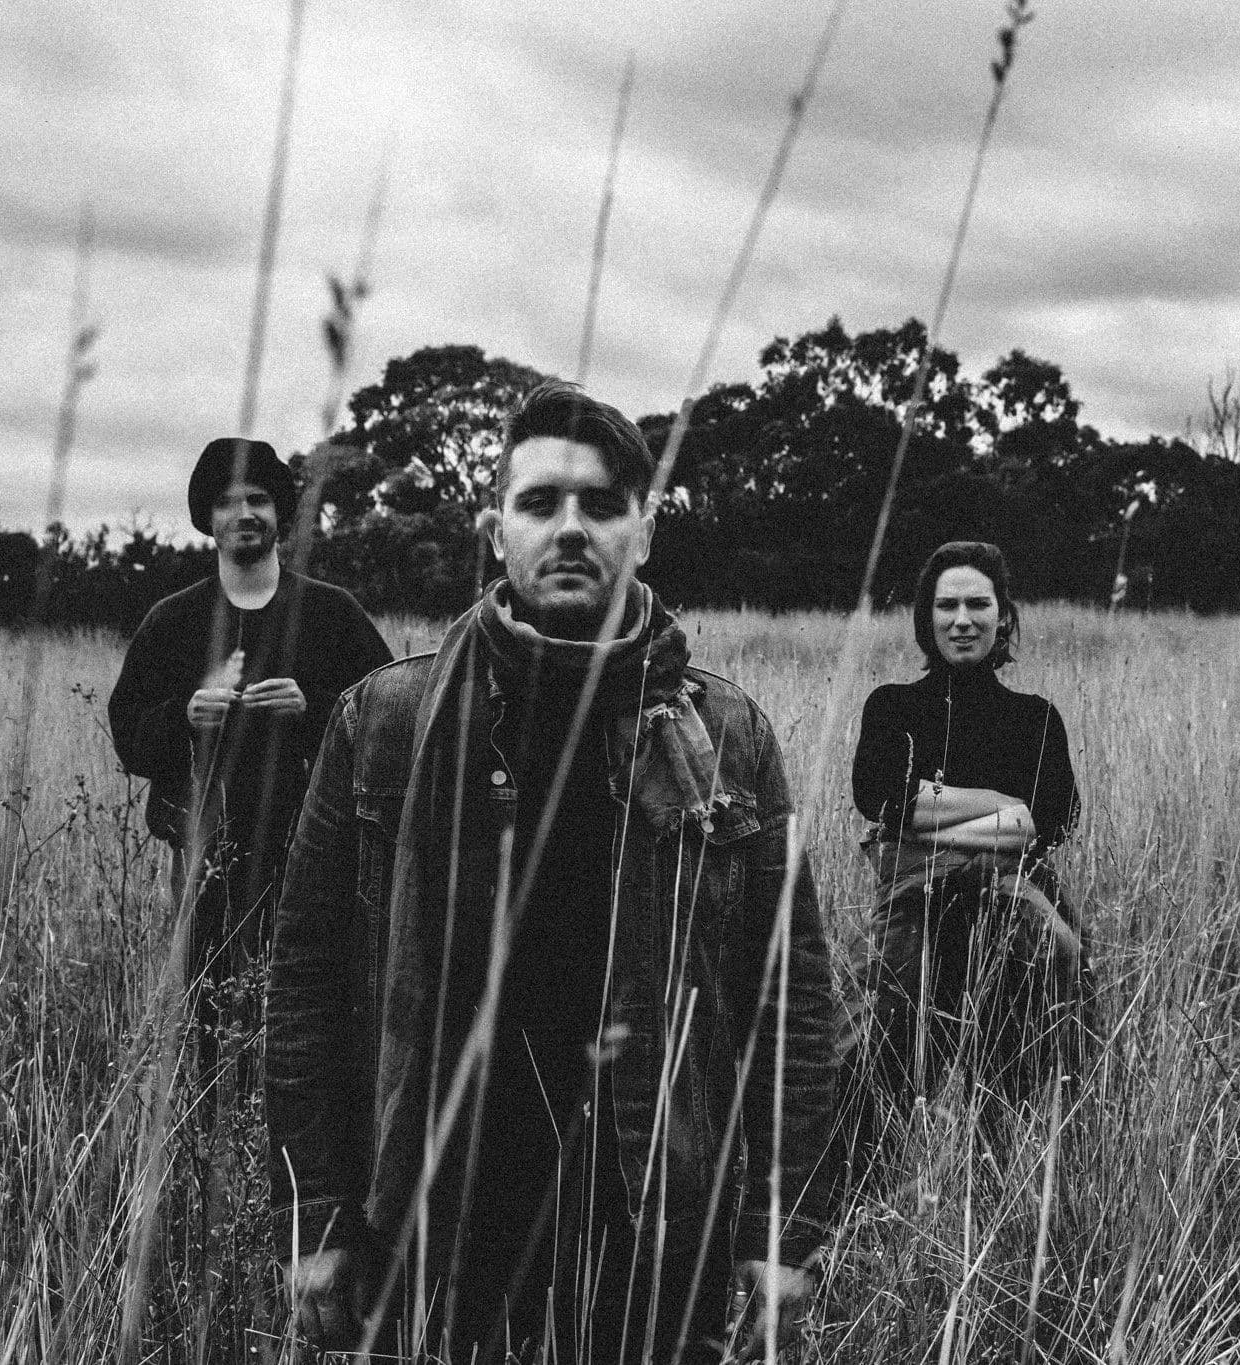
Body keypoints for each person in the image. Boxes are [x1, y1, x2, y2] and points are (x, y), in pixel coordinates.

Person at [266, 381, 842, 1362]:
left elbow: (786, 997)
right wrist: (314, 1214)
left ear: (644, 532)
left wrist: (780, 1233)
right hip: (439, 1206)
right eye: (540, 504)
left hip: (651, 1204)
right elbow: (306, 979)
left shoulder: (725, 733)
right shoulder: (386, 722)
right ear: (496, 533)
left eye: (600, 504)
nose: (570, 528)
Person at [108, 437, 391, 1091]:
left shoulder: (331, 613)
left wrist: (315, 708)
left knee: (315, 1017)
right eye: (227, 501)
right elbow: (129, 739)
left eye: (259, 499)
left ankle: (305, 1161)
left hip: (321, 858)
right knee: (214, 1019)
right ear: (207, 516)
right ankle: (217, 1138)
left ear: (281, 512)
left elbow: (389, 721)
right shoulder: (172, 622)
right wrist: (185, 716)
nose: (244, 513)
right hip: (205, 864)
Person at [850, 541, 1089, 1176]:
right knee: (871, 1022)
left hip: (1012, 891)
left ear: (1003, 615)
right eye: (946, 605)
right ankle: (875, 1170)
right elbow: (882, 799)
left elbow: (1050, 820)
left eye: (977, 604)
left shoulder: (1034, 718)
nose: (963, 619)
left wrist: (931, 811)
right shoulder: (892, 706)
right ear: (926, 618)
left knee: (1058, 955)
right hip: (910, 894)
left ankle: (1016, 1152)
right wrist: (1004, 807)